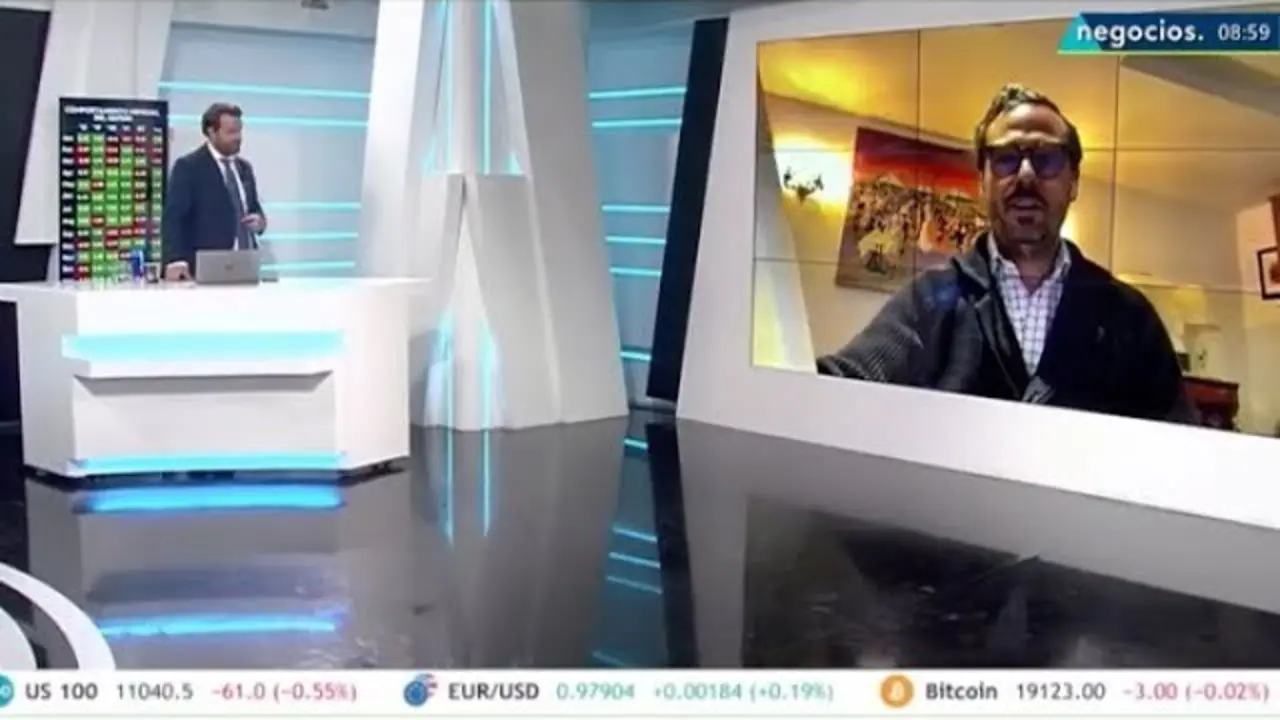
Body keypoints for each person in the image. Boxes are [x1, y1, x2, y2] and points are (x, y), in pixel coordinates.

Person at [818, 84, 1198, 424]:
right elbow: (842, 383)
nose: (1026, 174)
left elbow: (1180, 442)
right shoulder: (929, 300)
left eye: (1047, 158)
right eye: (1006, 159)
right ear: (982, 182)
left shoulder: (1130, 316)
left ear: (1073, 183)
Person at [161, 102, 267, 280]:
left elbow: (254, 208)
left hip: (245, 266)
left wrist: (260, 222)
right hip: (207, 270)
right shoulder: (189, 167)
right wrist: (175, 260)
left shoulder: (244, 169)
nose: (238, 137)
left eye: (239, 131)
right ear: (212, 132)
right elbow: (173, 219)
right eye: (231, 132)